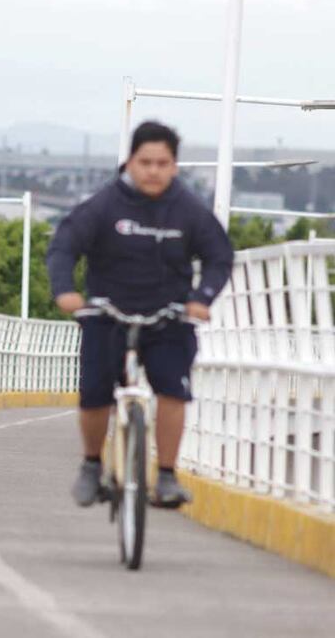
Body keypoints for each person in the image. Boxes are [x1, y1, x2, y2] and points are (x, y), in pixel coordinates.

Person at [46, 121, 234, 508]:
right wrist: (65, 291)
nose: (153, 170)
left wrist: (203, 298)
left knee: (172, 390)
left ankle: (165, 475)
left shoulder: (188, 210)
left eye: (162, 163)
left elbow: (219, 256)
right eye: (145, 161)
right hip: (106, 314)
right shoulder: (104, 205)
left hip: (169, 318)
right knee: (95, 393)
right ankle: (91, 465)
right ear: (130, 161)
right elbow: (64, 245)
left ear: (175, 166)